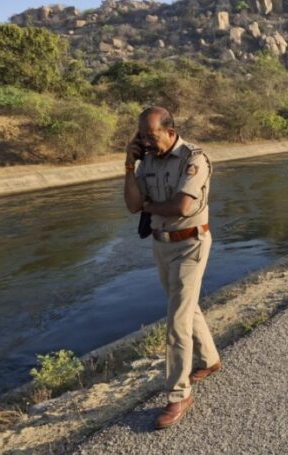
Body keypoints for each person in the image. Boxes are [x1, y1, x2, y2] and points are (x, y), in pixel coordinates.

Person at [124, 106, 221, 430]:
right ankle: (210, 359)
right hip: (161, 244)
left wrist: (149, 206)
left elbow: (182, 206)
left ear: (170, 130)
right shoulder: (146, 161)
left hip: (191, 243)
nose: (146, 143)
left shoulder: (195, 159)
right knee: (185, 306)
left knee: (176, 319)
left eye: (150, 136)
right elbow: (132, 204)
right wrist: (128, 165)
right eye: (141, 137)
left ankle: (179, 394)